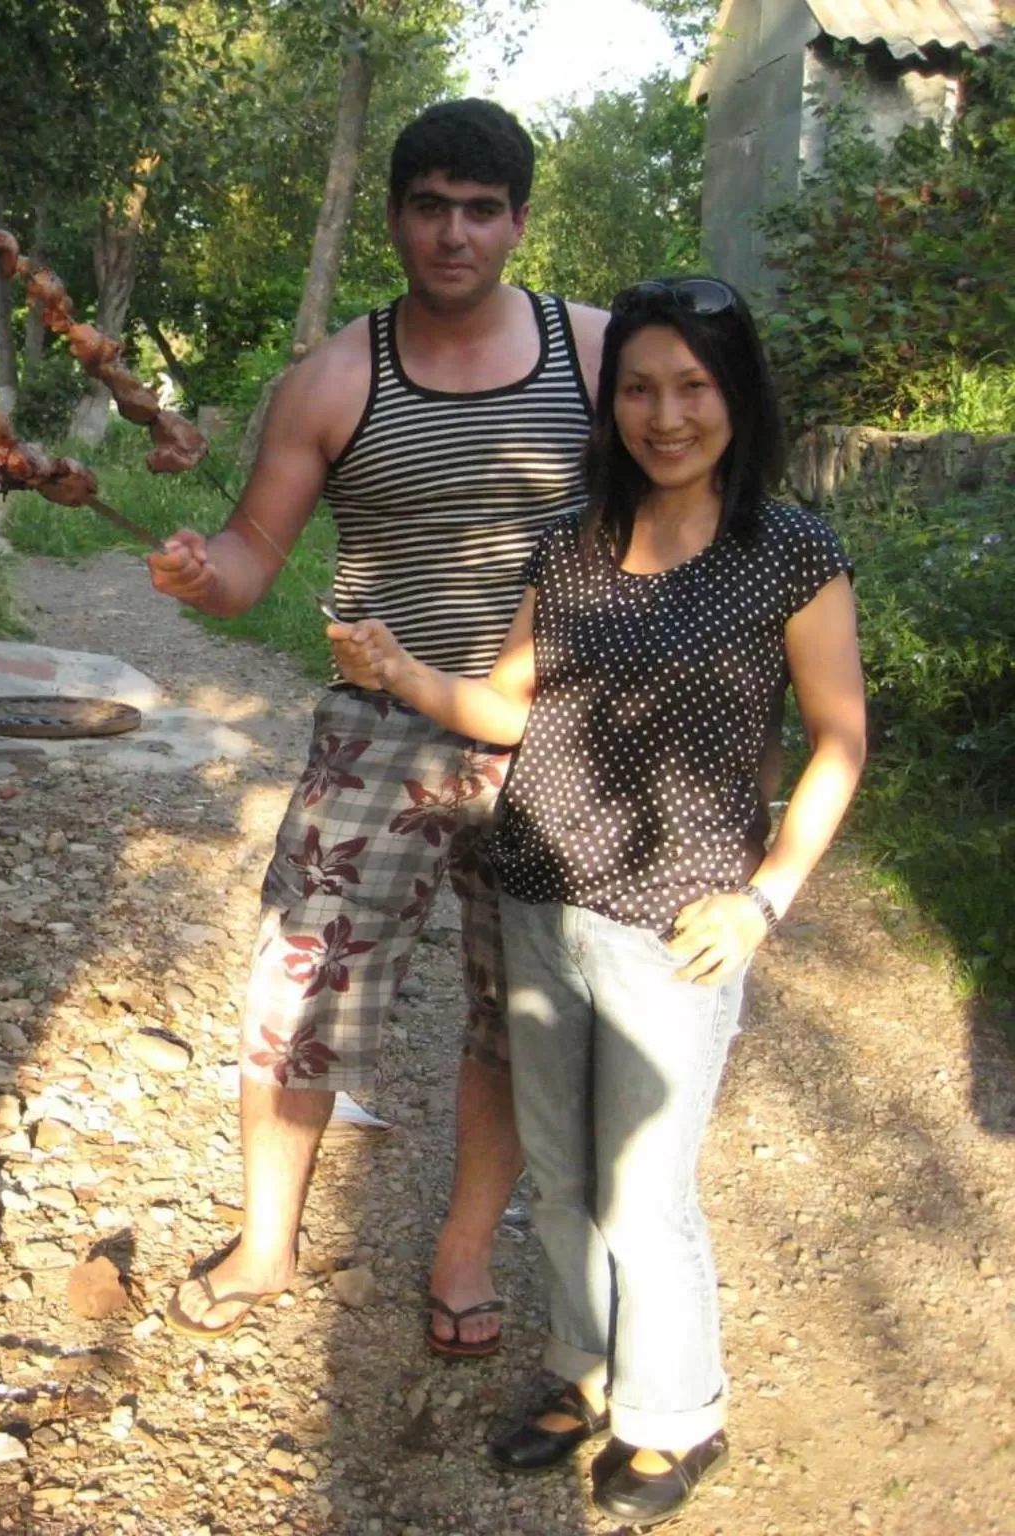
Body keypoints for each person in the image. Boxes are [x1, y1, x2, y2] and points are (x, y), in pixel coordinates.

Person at [328, 274, 865, 1523]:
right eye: (637, 386)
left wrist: (763, 899)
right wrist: (403, 670)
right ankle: (583, 1366)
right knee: (563, 1175)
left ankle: (675, 1415)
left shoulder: (789, 552)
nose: (662, 414)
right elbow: (514, 706)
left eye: (692, 386)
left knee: (643, 1192)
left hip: (675, 927)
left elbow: (839, 742)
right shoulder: (570, 538)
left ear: (737, 396)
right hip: (534, 898)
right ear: (607, 397)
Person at [148, 98, 607, 1356]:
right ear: (396, 217)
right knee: (294, 989)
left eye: (479, 209)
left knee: (512, 1006)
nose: (452, 234)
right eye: (428, 206)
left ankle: (463, 1254)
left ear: (515, 221)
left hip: (547, 731)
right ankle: (264, 1242)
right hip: (377, 726)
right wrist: (202, 574)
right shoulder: (338, 376)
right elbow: (251, 554)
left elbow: (689, 494)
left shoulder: (601, 355)